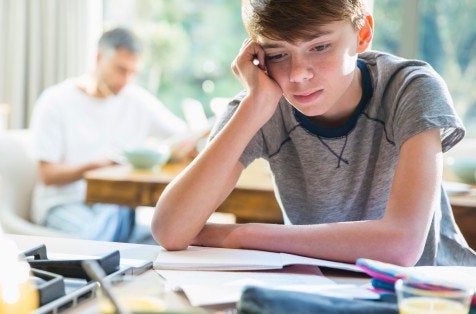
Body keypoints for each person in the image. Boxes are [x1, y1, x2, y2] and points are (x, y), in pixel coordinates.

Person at [152, 0, 476, 266]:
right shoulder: (263, 102)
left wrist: (239, 234)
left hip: (433, 292)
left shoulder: (410, 87)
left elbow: (402, 246)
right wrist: (253, 108)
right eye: (277, 54)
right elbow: (170, 230)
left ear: (362, 34)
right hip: (322, 288)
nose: (298, 75)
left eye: (320, 46)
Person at [30, 27, 187, 242]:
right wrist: (99, 166)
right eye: (120, 70)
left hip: (113, 206)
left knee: (172, 238)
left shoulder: (136, 100)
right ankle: (101, 253)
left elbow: (184, 136)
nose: (126, 80)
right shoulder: (56, 101)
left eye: (133, 72)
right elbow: (47, 174)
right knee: (112, 225)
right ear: (98, 58)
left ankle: (100, 259)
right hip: (64, 203)